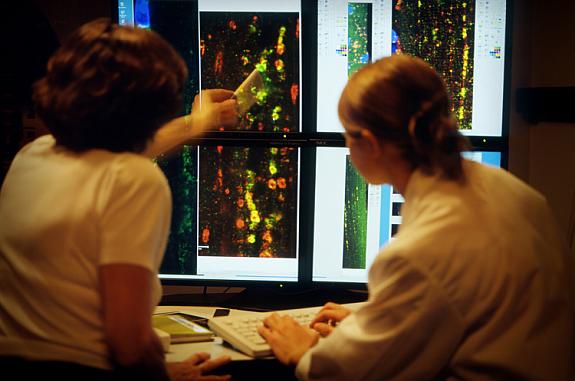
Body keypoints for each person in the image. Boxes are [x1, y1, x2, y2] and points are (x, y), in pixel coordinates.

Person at [258, 54, 575, 380]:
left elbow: (345, 373)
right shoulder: (512, 191)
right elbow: (462, 304)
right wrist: (373, 317)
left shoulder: (417, 253)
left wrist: (305, 350)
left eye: (347, 136)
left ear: (369, 143)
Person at [0, 19, 238, 380]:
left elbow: (111, 155)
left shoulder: (33, 155)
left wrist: (197, 121)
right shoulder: (134, 178)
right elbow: (128, 345)